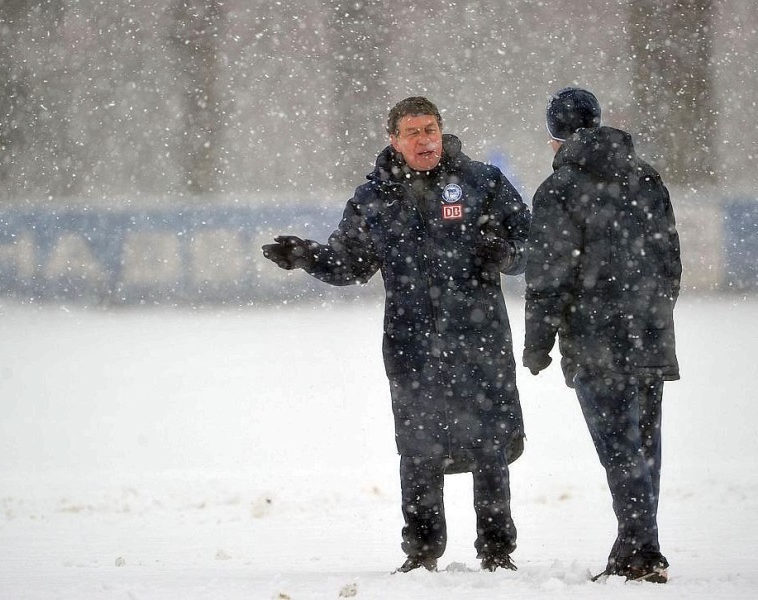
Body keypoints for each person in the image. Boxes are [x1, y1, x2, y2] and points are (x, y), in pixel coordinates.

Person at [262, 97, 531, 573]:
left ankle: (497, 551)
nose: (424, 140)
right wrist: (306, 255)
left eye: (430, 129)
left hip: (480, 341)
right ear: (394, 140)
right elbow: (349, 264)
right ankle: (422, 553)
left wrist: (506, 254)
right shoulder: (374, 199)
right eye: (413, 132)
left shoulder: (481, 183)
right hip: (412, 345)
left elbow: (534, 247)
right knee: (419, 452)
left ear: (442, 131)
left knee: (490, 446)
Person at [523, 87, 682, 583]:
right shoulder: (646, 176)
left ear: (555, 137)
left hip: (596, 340)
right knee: (645, 445)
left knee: (618, 447)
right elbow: (670, 259)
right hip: (650, 333)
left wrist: (537, 342)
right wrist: (653, 310)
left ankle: (639, 553)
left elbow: (548, 275)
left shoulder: (560, 189)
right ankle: (640, 545)